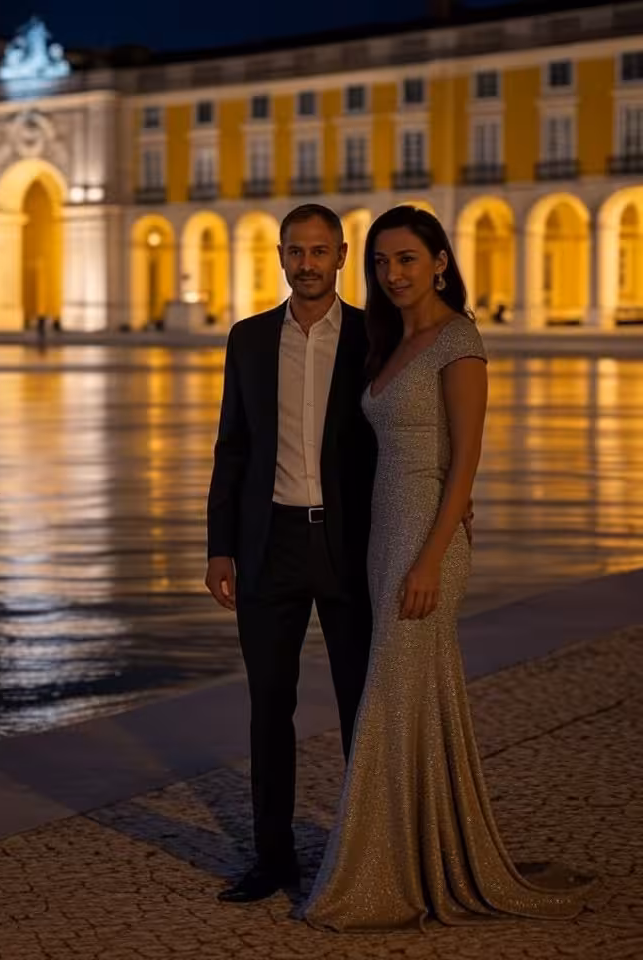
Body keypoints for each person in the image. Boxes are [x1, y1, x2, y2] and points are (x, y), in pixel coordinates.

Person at [303, 205, 594, 931]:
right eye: (380, 262)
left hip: (425, 543)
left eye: (406, 259)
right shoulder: (392, 341)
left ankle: (385, 869)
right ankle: (420, 852)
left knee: (391, 693)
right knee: (413, 696)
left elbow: (465, 458)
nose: (392, 274)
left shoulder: (459, 339)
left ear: (439, 261)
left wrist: (433, 554)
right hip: (384, 537)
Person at [206, 204, 377, 903]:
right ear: (279, 256)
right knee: (268, 707)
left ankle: (368, 855)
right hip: (269, 543)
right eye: (295, 251)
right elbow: (233, 448)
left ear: (341, 254)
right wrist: (220, 548)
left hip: (349, 545)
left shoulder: (374, 336)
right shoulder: (248, 339)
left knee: (360, 706)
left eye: (319, 251)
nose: (307, 263)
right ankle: (273, 858)